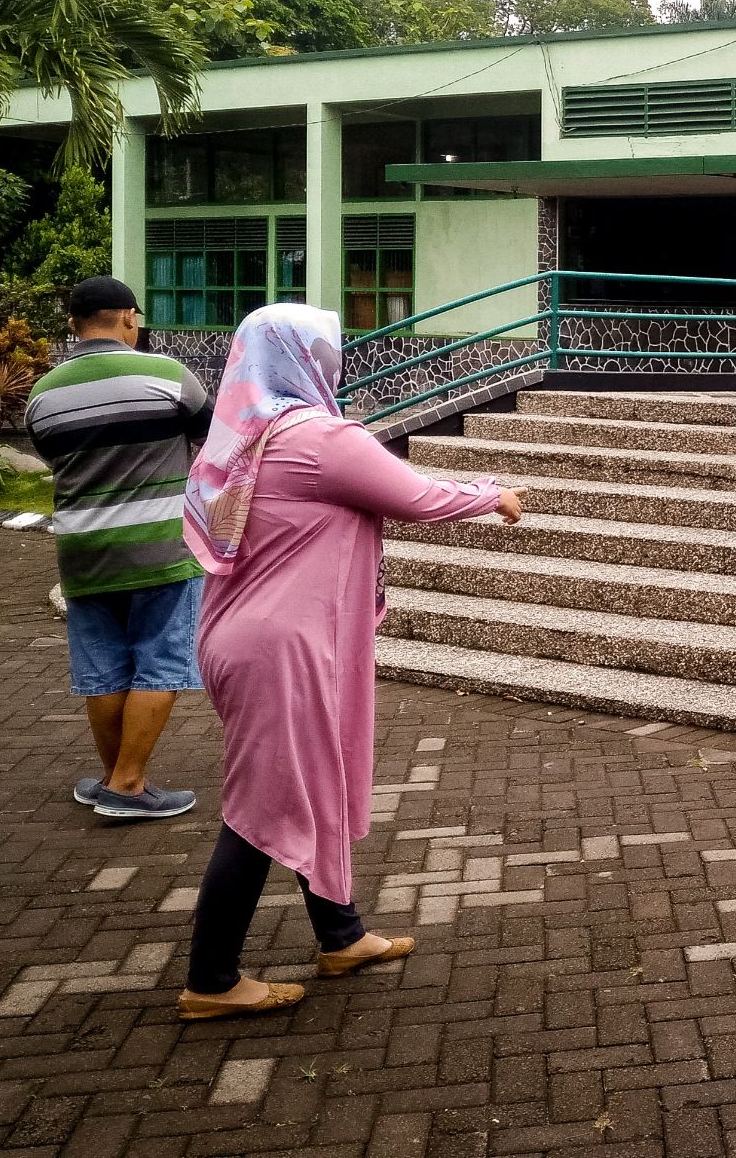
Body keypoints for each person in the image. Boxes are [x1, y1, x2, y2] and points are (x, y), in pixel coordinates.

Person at [174, 304, 525, 1020]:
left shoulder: (244, 436)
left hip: (240, 637)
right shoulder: (321, 437)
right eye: (326, 349)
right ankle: (211, 980)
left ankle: (342, 936)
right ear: (303, 359)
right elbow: (415, 495)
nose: (336, 361)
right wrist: (495, 494)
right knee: (260, 807)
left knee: (314, 784)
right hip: (282, 650)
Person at [24, 276, 212, 821]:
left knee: (103, 668)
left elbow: (51, 455)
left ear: (72, 325)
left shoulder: (45, 393)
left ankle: (113, 780)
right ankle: (129, 786)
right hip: (160, 550)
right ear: (130, 317)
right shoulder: (167, 375)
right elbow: (214, 434)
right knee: (161, 662)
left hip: (82, 551)